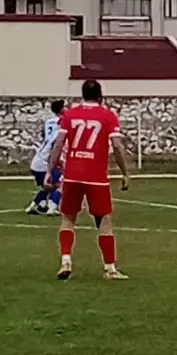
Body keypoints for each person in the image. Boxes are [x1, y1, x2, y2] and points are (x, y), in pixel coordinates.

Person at [47, 79, 131, 280]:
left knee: (68, 218)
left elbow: (59, 143)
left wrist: (50, 169)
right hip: (96, 176)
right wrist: (125, 172)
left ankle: (66, 260)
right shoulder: (107, 115)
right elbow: (117, 145)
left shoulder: (70, 114)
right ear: (101, 96)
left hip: (72, 174)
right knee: (104, 221)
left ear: (82, 94)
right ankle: (110, 269)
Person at [26, 99, 65, 216]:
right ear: (62, 109)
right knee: (58, 184)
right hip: (45, 161)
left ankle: (36, 205)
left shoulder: (49, 121)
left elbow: (45, 136)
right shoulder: (62, 123)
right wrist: (56, 162)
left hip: (38, 159)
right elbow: (55, 144)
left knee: (48, 186)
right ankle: (52, 208)